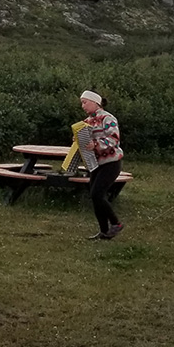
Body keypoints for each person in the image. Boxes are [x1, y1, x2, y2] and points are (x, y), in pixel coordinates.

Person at [77, 89, 124, 240]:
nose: (83, 106)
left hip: (111, 162)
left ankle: (116, 224)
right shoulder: (86, 122)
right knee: (95, 196)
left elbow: (114, 139)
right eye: (81, 103)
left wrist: (95, 144)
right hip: (96, 164)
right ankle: (104, 231)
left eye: (85, 102)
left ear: (95, 102)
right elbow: (85, 142)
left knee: (97, 194)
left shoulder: (108, 118)